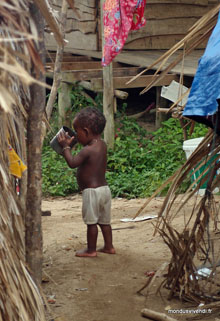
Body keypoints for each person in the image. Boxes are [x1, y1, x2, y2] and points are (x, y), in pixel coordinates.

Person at [57, 107, 115, 257]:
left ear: (86, 131)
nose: (76, 135)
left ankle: (91, 250)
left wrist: (65, 147)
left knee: (92, 223)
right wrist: (75, 141)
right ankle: (109, 247)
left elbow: (72, 162)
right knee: (104, 222)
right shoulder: (101, 144)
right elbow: (86, 144)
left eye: (77, 132)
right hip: (104, 190)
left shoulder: (87, 150)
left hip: (91, 192)